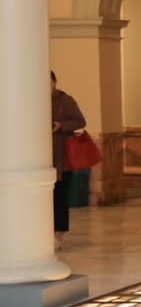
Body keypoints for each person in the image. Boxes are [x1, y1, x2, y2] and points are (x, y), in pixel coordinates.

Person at [50, 72, 85, 247]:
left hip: (62, 158)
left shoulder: (65, 101)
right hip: (44, 156)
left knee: (60, 196)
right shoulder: (33, 101)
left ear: (55, 82)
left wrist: (61, 126)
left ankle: (59, 234)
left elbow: (80, 121)